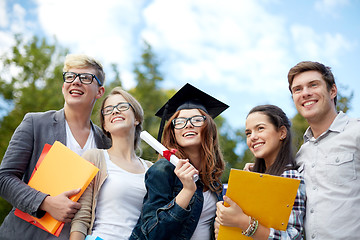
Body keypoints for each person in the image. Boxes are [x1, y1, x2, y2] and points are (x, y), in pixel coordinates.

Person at [0, 54, 111, 239]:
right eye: (70, 76)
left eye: (85, 78)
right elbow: (4, 178)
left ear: (99, 91)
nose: (76, 82)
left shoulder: (106, 142)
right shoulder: (35, 123)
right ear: (63, 86)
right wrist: (46, 202)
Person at [130, 83, 229, 240]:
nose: (188, 124)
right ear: (173, 132)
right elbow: (152, 235)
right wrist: (187, 190)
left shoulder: (214, 181)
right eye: (180, 121)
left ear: (208, 127)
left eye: (196, 119)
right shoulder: (163, 170)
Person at [287, 61, 360, 239]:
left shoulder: (356, 132)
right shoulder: (301, 155)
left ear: (332, 91)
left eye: (313, 85)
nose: (305, 93)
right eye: (297, 89)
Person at [70, 87, 152, 240]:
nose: (115, 111)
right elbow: (81, 217)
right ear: (105, 126)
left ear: (136, 118)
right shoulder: (94, 157)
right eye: (108, 110)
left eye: (122, 106)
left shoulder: (152, 169)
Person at [215, 105, 305, 239]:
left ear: (282, 133)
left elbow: (294, 237)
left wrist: (244, 223)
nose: (253, 137)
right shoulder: (251, 177)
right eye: (248, 133)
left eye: (260, 128)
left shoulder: (289, 177)